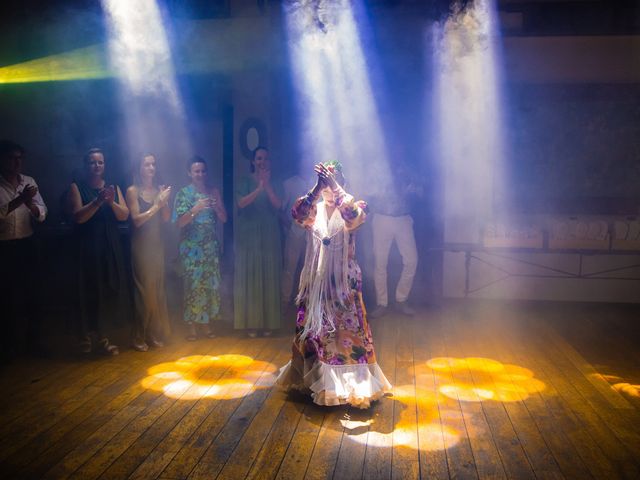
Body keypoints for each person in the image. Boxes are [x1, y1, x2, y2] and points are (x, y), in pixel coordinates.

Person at [277, 161, 392, 408]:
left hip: (343, 284)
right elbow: (296, 214)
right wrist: (317, 188)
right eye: (325, 184)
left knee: (346, 335)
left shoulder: (356, 205)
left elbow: (354, 218)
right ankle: (318, 381)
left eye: (332, 182)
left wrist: (335, 186)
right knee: (316, 335)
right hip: (316, 282)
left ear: (341, 183)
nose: (329, 189)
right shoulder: (313, 210)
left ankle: (352, 386)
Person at [67, 148, 130, 355]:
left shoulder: (112, 188)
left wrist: (111, 201)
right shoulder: (77, 187)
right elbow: (78, 217)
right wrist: (97, 201)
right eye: (93, 162)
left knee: (107, 291)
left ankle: (103, 336)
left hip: (108, 245)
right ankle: (84, 336)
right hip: (87, 246)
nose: (97, 166)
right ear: (86, 165)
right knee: (87, 291)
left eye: (100, 162)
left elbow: (124, 216)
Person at [0, 140, 48, 360]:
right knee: (7, 299)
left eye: (20, 158)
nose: (17, 162)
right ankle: (8, 348)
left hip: (27, 245)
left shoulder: (29, 182)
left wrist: (30, 204)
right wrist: (21, 199)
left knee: (33, 295)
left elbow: (42, 212)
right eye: (12, 158)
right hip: (4, 248)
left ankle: (34, 344)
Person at [173, 156, 227, 341]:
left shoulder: (213, 191)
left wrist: (218, 205)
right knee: (193, 287)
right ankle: (191, 327)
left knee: (209, 286)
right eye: (196, 171)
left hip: (210, 247)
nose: (200, 174)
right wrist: (195, 208)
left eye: (203, 171)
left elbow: (224, 218)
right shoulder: (184, 194)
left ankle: (206, 324)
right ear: (189, 173)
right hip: (192, 249)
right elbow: (179, 222)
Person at [234, 146, 283, 337]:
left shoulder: (276, 182)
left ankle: (269, 322)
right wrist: (259, 188)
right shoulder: (244, 180)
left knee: (268, 274)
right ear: (253, 161)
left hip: (269, 233)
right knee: (250, 275)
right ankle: (251, 323)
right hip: (249, 233)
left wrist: (267, 186)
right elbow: (241, 203)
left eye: (266, 158)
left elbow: (279, 205)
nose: (262, 161)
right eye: (259, 158)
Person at [126, 154, 172, 351]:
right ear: (139, 168)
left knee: (157, 290)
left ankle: (154, 333)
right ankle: (139, 335)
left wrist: (165, 202)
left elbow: (166, 218)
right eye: (147, 164)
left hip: (156, 245)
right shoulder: (132, 191)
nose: (151, 167)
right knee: (144, 292)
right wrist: (157, 204)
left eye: (154, 164)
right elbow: (136, 220)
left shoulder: (158, 190)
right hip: (141, 245)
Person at [369, 160, 422, 318]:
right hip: (381, 217)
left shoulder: (408, 170)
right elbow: (369, 193)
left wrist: (410, 181)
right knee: (380, 262)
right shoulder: (377, 168)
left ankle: (401, 299)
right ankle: (381, 303)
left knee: (412, 260)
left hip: (403, 218)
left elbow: (420, 192)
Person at [281, 170, 311, 307]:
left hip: (312, 234)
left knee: (311, 268)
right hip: (294, 231)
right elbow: (281, 208)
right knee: (290, 268)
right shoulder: (289, 183)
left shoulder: (317, 182)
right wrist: (289, 226)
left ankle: (308, 300)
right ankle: (285, 300)